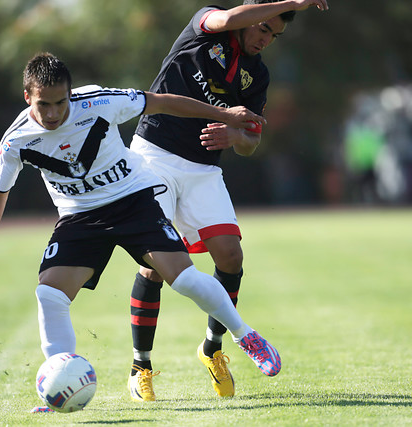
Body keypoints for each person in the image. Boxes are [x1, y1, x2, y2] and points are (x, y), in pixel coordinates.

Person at [0, 52, 281, 410]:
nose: (53, 113)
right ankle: (58, 384)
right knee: (49, 295)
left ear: (70, 93)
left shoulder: (98, 101)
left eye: (60, 102)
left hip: (132, 201)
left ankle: (244, 335)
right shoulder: (16, 140)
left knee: (182, 278)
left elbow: (160, 102)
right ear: (28, 97)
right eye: (44, 104)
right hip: (79, 217)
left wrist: (223, 114)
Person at [127, 0, 328, 400]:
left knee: (231, 257)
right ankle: (140, 366)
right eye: (262, 27)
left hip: (202, 170)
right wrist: (295, 3)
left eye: (273, 34)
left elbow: (251, 141)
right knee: (157, 265)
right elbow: (229, 19)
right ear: (250, 14)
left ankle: (212, 349)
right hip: (154, 156)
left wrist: (236, 136)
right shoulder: (208, 25)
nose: (263, 38)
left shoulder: (258, 75)